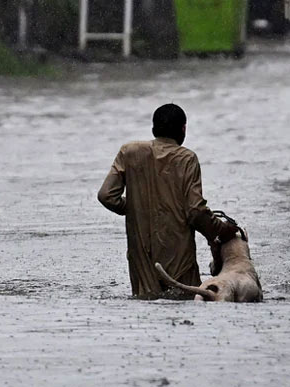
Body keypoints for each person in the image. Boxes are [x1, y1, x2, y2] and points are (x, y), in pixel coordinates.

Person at [97, 104, 238, 299]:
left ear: (154, 129)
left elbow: (106, 195)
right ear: (183, 129)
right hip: (179, 260)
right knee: (186, 302)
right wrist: (222, 230)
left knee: (146, 306)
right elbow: (195, 212)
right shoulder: (187, 159)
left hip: (141, 260)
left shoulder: (129, 152)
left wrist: (136, 207)